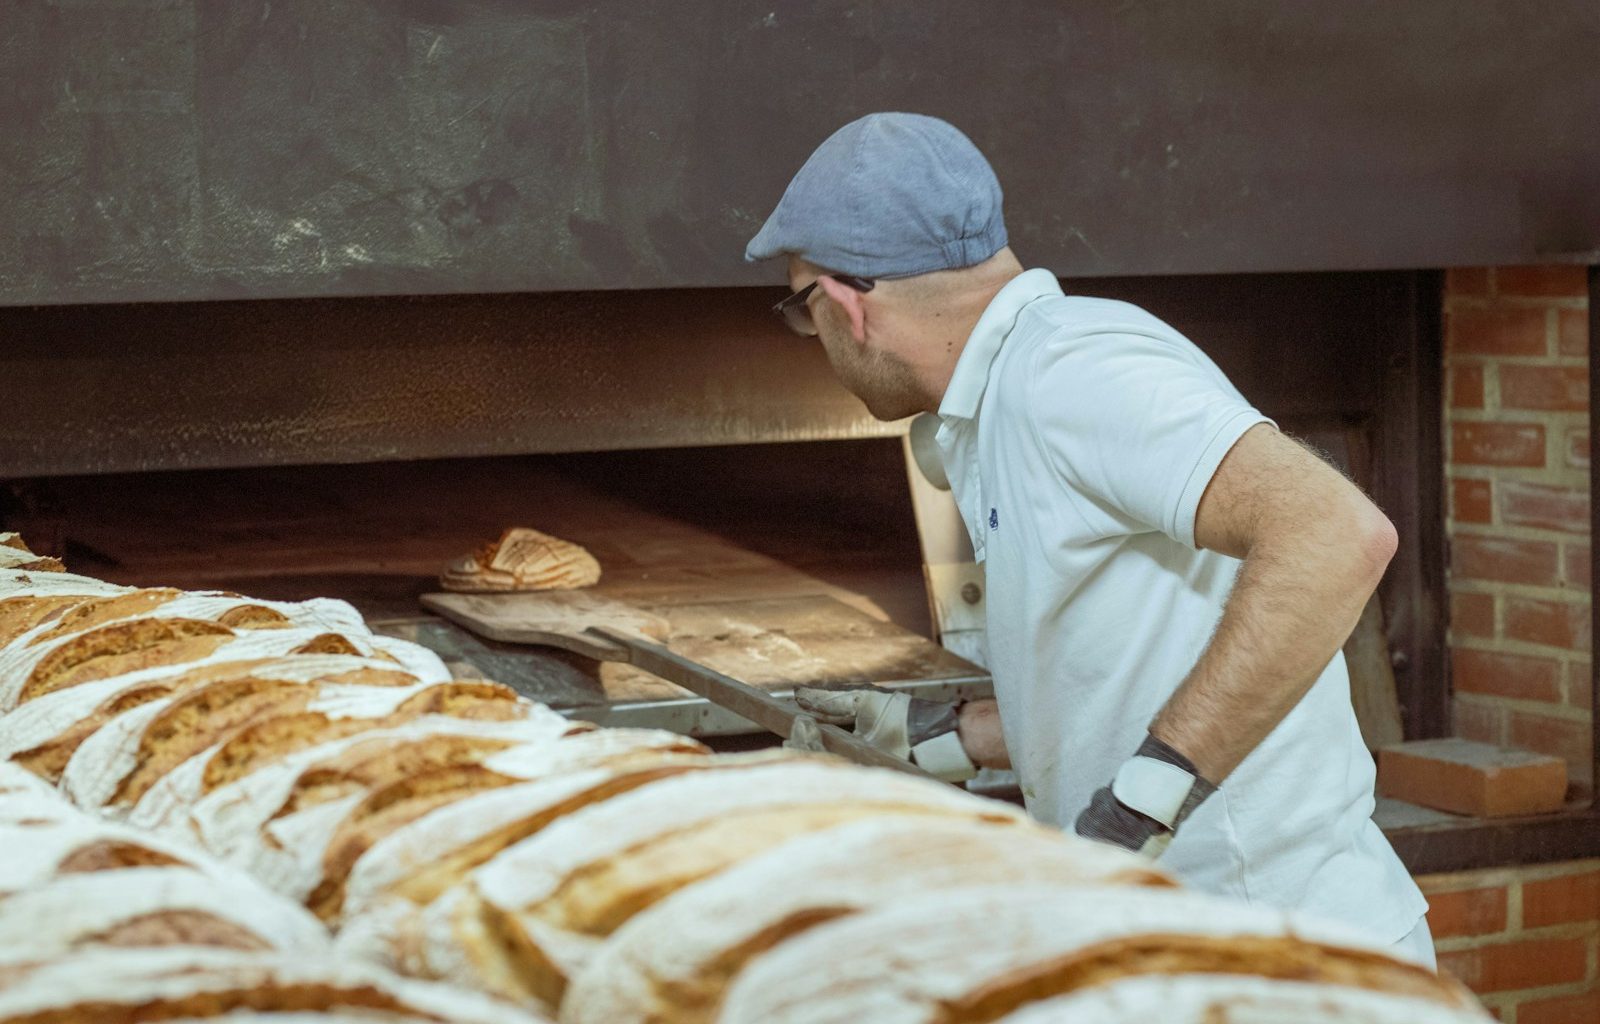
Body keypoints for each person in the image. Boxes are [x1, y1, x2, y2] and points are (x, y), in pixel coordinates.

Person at [744, 112, 1433, 967]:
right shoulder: (1002, 396)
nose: (815, 338)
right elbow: (1127, 656)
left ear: (847, 305)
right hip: (1181, 946)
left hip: (1279, 954)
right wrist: (940, 735)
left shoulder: (1071, 372)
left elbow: (1338, 532)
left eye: (802, 309)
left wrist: (1140, 805)